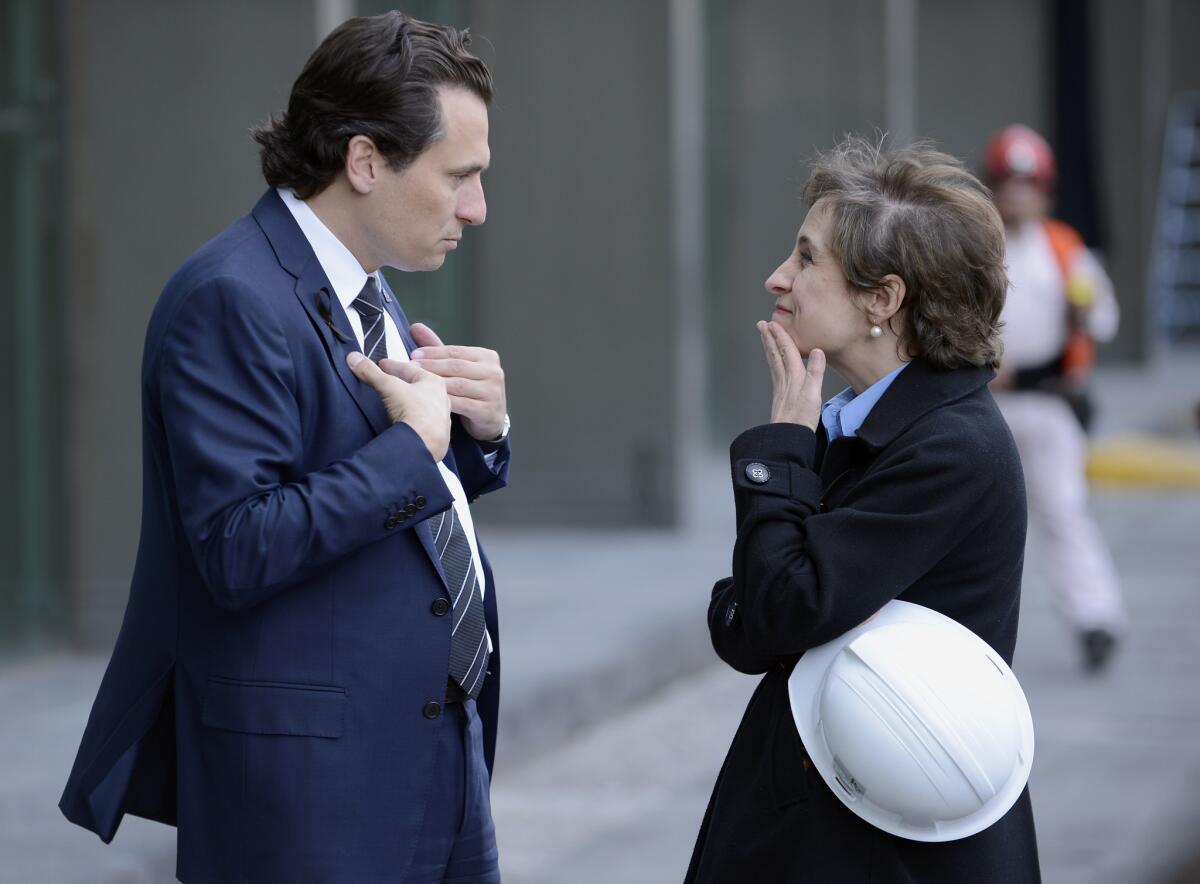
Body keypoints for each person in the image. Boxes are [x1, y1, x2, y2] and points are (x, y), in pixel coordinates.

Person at [59, 13, 510, 883]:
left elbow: (391, 504)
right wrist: (413, 451)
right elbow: (237, 544)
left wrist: (479, 436)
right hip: (311, 803)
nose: (477, 208)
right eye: (460, 176)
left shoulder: (365, 286)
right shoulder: (229, 297)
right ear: (367, 160)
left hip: (433, 762)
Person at [685, 137, 1041, 883]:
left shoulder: (950, 449)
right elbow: (752, 629)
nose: (777, 278)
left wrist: (783, 447)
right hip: (828, 821)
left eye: (808, 259)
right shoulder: (865, 426)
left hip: (884, 848)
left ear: (883, 300)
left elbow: (773, 611)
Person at [985, 123, 1125, 674]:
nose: (1018, 194)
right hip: (983, 406)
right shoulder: (975, 246)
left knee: (1064, 512)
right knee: (980, 524)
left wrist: (1083, 309)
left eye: (1029, 183)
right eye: (1008, 182)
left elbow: (1106, 319)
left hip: (1046, 402)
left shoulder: (1066, 250)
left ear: (1045, 189)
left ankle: (1096, 619)